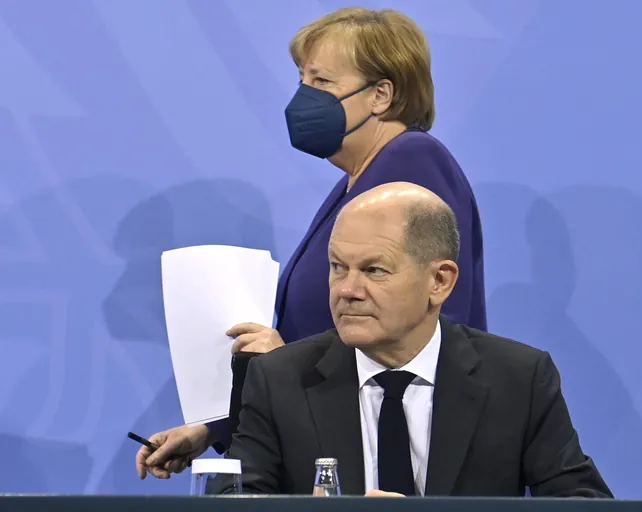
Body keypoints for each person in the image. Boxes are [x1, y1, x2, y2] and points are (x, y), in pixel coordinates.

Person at [136, 7, 487, 480]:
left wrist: (284, 364)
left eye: (321, 82)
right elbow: (314, 339)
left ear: (381, 95)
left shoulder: (412, 162)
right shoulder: (354, 183)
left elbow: (423, 332)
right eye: (301, 79)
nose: (303, 97)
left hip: (400, 458)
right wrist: (211, 429)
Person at [222, 182, 613, 497]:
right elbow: (235, 503)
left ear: (439, 281)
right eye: (338, 267)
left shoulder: (518, 379)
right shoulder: (279, 380)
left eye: (374, 270)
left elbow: (581, 504)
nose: (347, 290)